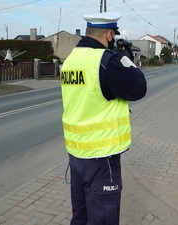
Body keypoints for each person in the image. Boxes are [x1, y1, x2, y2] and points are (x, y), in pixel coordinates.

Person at [60, 11, 147, 225]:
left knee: (80, 216)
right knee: (103, 219)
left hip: (76, 155)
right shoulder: (105, 62)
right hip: (101, 157)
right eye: (113, 37)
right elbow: (139, 87)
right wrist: (124, 55)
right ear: (109, 35)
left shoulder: (71, 60)